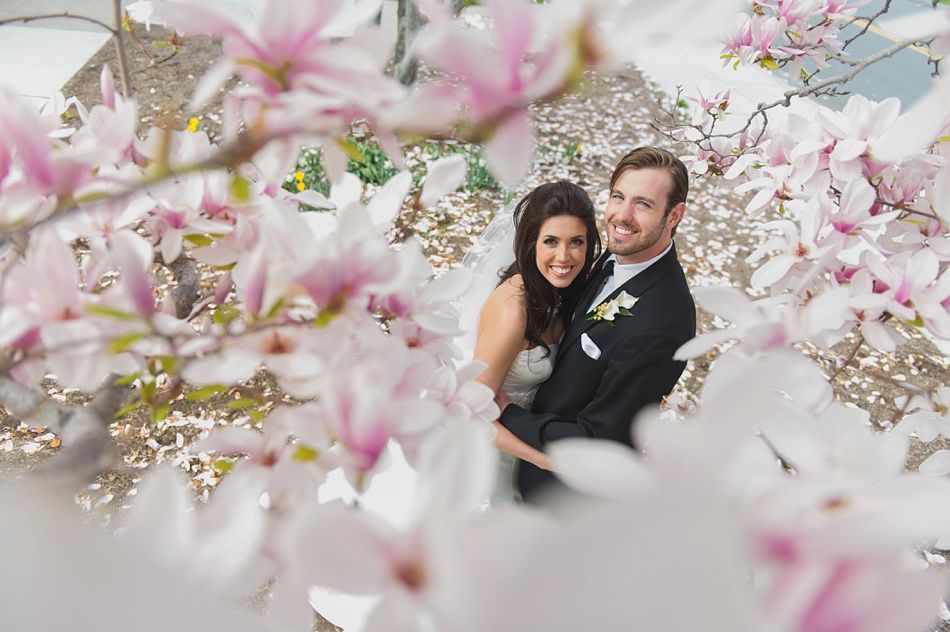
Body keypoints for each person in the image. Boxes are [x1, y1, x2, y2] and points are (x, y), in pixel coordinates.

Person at [495, 146, 697, 503]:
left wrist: (509, 414)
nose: (622, 215)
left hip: (563, 493)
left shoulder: (662, 324)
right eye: (618, 197)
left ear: (674, 215)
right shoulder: (618, 255)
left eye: (644, 204)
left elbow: (598, 438)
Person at [466, 181, 601, 502]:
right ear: (531, 244)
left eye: (576, 242)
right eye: (551, 241)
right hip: (493, 451)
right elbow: (470, 412)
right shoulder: (513, 313)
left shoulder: (560, 292)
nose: (564, 256)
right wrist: (546, 461)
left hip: (528, 436)